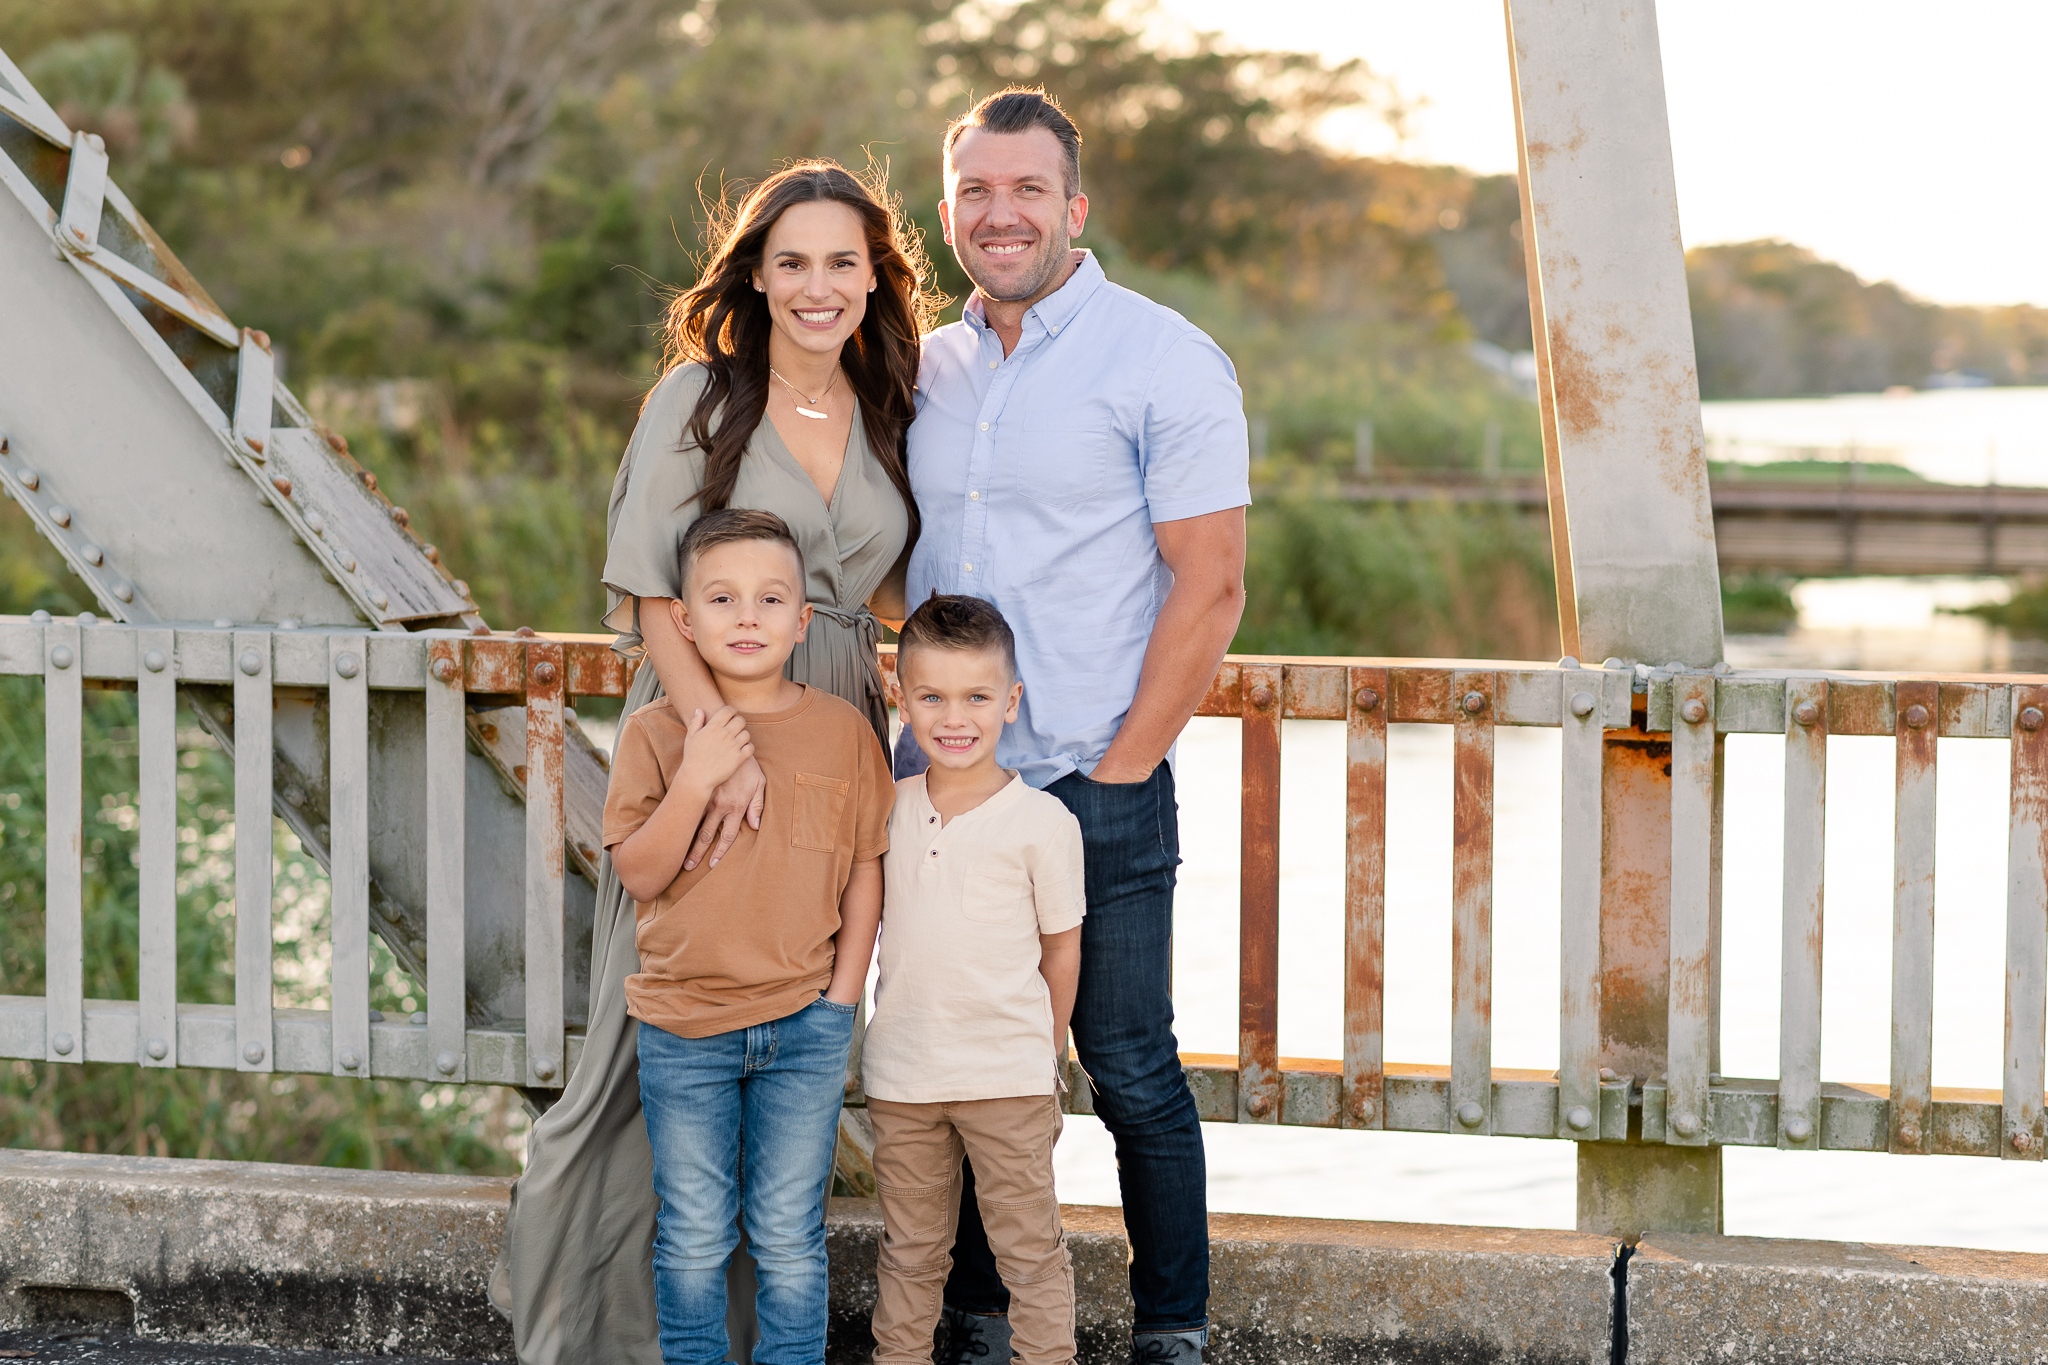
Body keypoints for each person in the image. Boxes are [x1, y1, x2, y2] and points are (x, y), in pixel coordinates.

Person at [491, 159, 938, 1365]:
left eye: (843, 261)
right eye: (790, 260)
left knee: (790, 1014)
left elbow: (884, 583)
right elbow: (644, 594)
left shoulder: (887, 402)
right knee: (652, 1037)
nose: (817, 285)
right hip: (704, 723)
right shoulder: (697, 396)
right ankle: (598, 1336)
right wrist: (716, 745)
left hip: (834, 719)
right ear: (753, 273)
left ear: (875, 278)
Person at [897, 89, 1250, 1365]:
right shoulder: (923, 368)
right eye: (976, 193)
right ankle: (978, 1326)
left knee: (1125, 1063)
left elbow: (1209, 584)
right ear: (948, 215)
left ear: (1072, 208)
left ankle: (1172, 1335)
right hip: (945, 788)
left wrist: (1124, 767)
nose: (1001, 215)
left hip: (1096, 777)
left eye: (1026, 190)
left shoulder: (1161, 357)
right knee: (973, 1063)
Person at [604, 509, 892, 1365]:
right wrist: (698, 775)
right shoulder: (657, 735)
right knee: (693, 1231)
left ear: (804, 620)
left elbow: (866, 868)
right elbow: (640, 872)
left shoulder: (841, 731)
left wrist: (843, 998)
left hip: (803, 1026)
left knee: (789, 1234)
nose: (747, 617)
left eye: (771, 599)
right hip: (684, 1027)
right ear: (684, 621)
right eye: (722, 599)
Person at [863, 595, 1085, 1365]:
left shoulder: (1044, 823)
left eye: (977, 697)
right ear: (900, 694)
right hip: (903, 1076)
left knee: (1030, 1255)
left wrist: (1042, 1053)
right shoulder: (887, 809)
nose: (954, 717)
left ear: (1011, 702)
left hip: (1008, 1080)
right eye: (931, 696)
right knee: (911, 1254)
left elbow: (1062, 951)